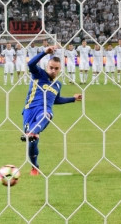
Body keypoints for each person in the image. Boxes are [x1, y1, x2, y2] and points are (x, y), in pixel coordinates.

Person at [20, 46, 82, 176]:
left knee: (46, 115)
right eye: (51, 67)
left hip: (44, 112)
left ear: (60, 69)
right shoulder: (39, 74)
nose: (53, 70)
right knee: (32, 143)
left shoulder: (58, 85)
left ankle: (32, 132)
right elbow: (30, 64)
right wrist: (44, 52)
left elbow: (56, 100)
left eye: (56, 68)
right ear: (47, 66)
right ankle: (34, 166)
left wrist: (73, 99)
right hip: (29, 111)